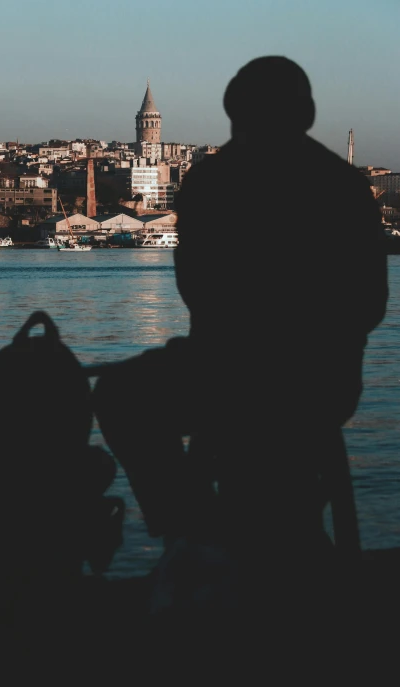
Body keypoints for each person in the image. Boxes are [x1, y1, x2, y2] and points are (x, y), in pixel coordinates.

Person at [92, 56, 389, 632]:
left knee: (122, 394)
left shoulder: (211, 181)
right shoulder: (345, 187)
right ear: (305, 113)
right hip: (327, 384)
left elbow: (195, 290)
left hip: (225, 372)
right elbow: (370, 304)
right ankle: (249, 544)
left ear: (234, 111)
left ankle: (195, 531)